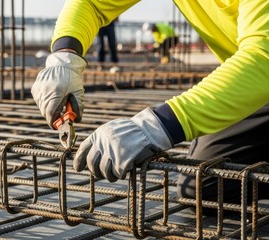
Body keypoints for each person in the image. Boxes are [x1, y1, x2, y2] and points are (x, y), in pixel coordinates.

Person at [31, 0, 269, 205]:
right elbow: (93, 4)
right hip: (255, 89)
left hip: (260, 72)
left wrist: (159, 124)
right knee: (202, 186)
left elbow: (263, 56)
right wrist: (64, 55)